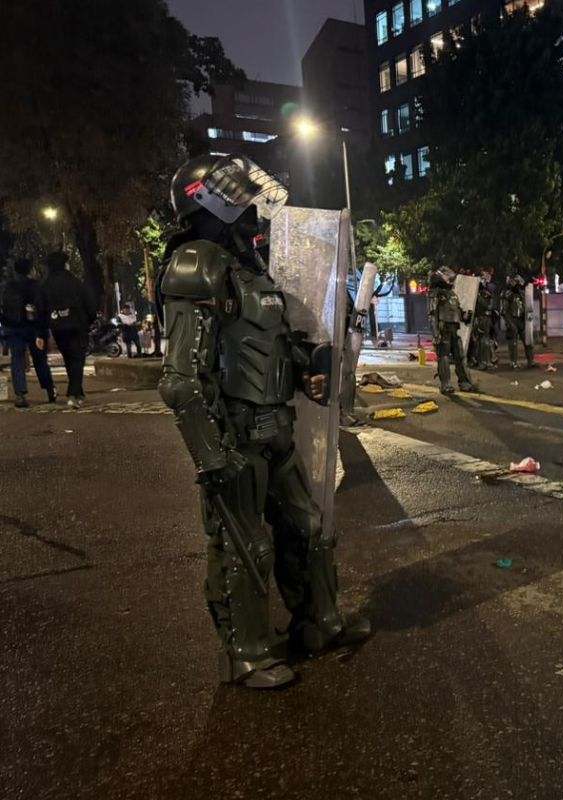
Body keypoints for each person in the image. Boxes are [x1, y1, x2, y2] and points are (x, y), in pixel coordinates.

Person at [157, 153, 370, 690]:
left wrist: (306, 367)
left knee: (309, 528)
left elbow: (265, 344)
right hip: (235, 434)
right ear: (207, 201)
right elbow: (183, 378)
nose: (250, 209)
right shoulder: (196, 263)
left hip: (275, 426)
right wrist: (213, 456)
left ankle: (318, 622)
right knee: (245, 545)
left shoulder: (246, 267)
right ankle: (245, 653)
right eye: (236, 196)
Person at [37, 251, 95, 408]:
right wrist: (89, 320)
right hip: (78, 326)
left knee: (69, 359)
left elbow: (41, 310)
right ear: (64, 264)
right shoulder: (75, 282)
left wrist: (42, 331)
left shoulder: (45, 286)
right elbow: (89, 303)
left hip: (58, 328)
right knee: (77, 360)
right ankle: (72, 394)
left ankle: (78, 392)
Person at [1, 258, 55, 407]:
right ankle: (49, 389)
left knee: (17, 360)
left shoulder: (8, 287)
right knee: (39, 359)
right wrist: (43, 331)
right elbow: (41, 308)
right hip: (33, 329)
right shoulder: (35, 286)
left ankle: (20, 394)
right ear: (30, 270)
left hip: (13, 329)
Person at [428, 266, 478, 394]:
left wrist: (465, 316)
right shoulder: (435, 293)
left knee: (460, 356)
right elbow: (432, 314)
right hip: (443, 328)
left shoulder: (452, 294)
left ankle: (465, 382)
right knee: (443, 356)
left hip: (454, 329)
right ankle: (446, 384)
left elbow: (458, 312)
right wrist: (435, 333)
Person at [500, 273, 534, 369]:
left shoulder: (522, 293)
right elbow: (503, 311)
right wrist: (510, 323)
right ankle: (513, 361)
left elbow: (527, 307)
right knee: (513, 342)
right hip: (512, 319)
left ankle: (530, 360)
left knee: (528, 340)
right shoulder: (506, 294)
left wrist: (528, 321)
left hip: (522, 320)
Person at [468, 280, 498, 370]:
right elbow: (488, 306)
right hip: (482, 319)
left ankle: (481, 361)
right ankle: (483, 361)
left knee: (481, 341)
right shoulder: (481, 295)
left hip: (481, 319)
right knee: (482, 341)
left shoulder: (479, 295)